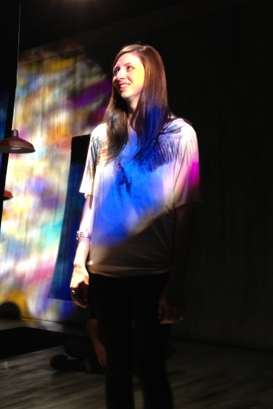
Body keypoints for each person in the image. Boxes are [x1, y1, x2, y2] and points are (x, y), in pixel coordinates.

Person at [70, 43, 201, 408]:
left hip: (152, 273)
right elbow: (91, 203)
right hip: (105, 272)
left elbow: (186, 211)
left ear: (151, 75)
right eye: (116, 69)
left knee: (151, 368)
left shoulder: (179, 135)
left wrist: (177, 280)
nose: (119, 75)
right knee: (116, 369)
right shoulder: (101, 136)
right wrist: (80, 262)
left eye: (129, 68)